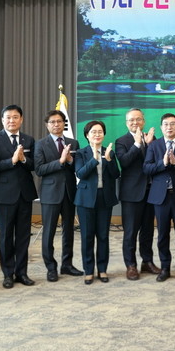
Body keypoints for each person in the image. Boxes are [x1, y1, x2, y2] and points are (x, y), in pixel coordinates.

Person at [0, 105, 37, 289]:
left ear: (21, 119)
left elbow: (34, 165)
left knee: (23, 236)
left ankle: (22, 273)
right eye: (8, 117)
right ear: (2, 120)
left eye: (15, 117)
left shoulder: (28, 139)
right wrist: (12, 161)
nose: (12, 120)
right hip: (4, 195)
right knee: (6, 236)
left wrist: (23, 159)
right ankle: (8, 274)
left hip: (24, 194)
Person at [143, 113, 175, 282]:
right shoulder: (154, 145)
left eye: (172, 124)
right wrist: (163, 163)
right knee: (162, 235)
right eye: (165, 124)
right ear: (161, 127)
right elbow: (147, 168)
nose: (169, 127)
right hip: (160, 198)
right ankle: (165, 267)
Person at [34, 110, 83, 282]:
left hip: (69, 192)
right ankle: (51, 267)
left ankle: (67, 265)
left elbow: (78, 167)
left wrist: (70, 161)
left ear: (64, 123)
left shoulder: (73, 143)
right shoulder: (40, 144)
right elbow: (39, 169)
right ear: (47, 125)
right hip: (50, 193)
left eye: (59, 121)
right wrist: (60, 161)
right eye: (52, 122)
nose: (56, 124)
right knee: (49, 232)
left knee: (69, 231)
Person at [115, 108, 160, 280]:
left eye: (138, 119)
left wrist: (149, 144)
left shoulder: (152, 138)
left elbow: (156, 162)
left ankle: (147, 262)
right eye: (132, 120)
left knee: (148, 231)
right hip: (132, 194)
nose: (135, 122)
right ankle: (131, 265)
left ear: (144, 121)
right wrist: (137, 144)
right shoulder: (122, 141)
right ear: (126, 123)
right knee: (130, 232)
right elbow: (125, 162)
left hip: (151, 192)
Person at [74, 120, 120, 285]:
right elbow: (80, 173)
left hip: (104, 198)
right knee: (87, 236)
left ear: (104, 134)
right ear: (87, 135)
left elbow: (116, 174)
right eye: (93, 132)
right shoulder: (81, 153)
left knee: (103, 235)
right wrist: (94, 159)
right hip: (85, 199)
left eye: (100, 132)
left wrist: (109, 160)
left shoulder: (109, 152)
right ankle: (88, 270)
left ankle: (102, 269)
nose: (97, 135)